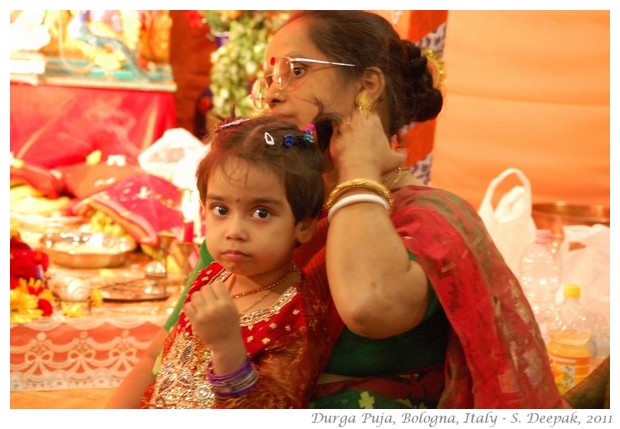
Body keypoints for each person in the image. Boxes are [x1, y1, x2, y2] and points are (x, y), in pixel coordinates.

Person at [109, 10, 567, 409]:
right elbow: (162, 353)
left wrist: (359, 169)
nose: (273, 93)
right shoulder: (259, 209)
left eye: (298, 70)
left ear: (367, 86)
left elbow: (369, 306)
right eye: (269, 76)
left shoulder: (427, 218)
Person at [108, 115, 343, 408]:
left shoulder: (299, 317)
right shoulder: (212, 276)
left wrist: (227, 347)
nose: (234, 232)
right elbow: (159, 364)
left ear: (304, 225)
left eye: (261, 213)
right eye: (220, 209)